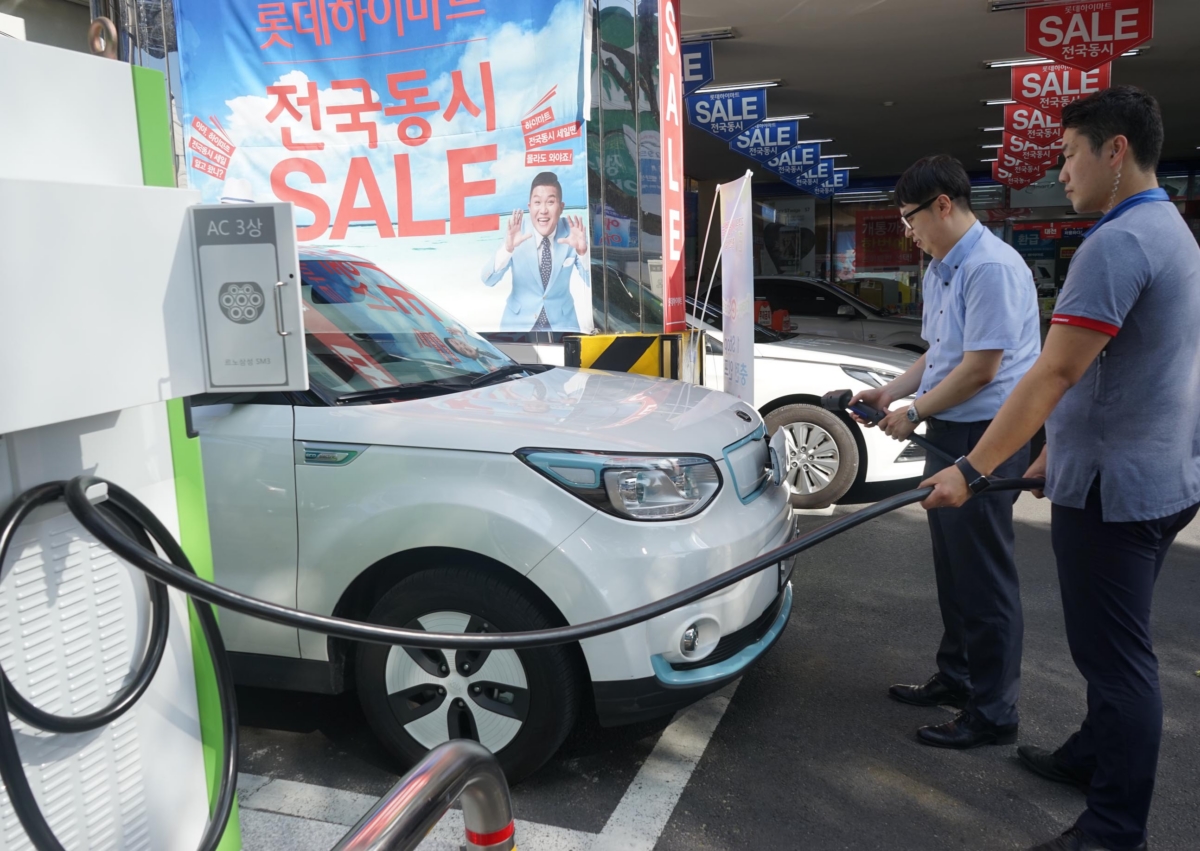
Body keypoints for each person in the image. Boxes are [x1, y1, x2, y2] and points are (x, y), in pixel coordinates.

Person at [922, 86, 1200, 851]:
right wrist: (1053, 450)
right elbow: (1136, 368)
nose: (1059, 170)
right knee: (1119, 645)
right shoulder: (1172, 231)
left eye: (1071, 154)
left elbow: (1053, 374)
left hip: (1117, 491)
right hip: (1157, 474)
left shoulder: (1116, 242)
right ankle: (1089, 755)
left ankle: (1113, 830)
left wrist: (971, 471)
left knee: (1117, 662)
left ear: (1115, 153)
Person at [850, 155, 1041, 748]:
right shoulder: (940, 267)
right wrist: (892, 391)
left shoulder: (990, 268)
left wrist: (915, 412)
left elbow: (982, 370)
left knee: (983, 575)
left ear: (943, 206)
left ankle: (994, 712)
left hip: (986, 436)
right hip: (948, 432)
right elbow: (940, 354)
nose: (907, 230)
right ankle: (957, 677)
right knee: (953, 567)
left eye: (910, 218)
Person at [481, 171, 590, 333]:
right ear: (530, 207)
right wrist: (507, 249)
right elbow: (487, 280)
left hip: (562, 325)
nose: (543, 210)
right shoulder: (516, 232)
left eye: (551, 202)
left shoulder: (572, 233)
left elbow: (592, 284)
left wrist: (583, 253)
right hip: (517, 325)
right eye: (537, 202)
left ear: (561, 208)